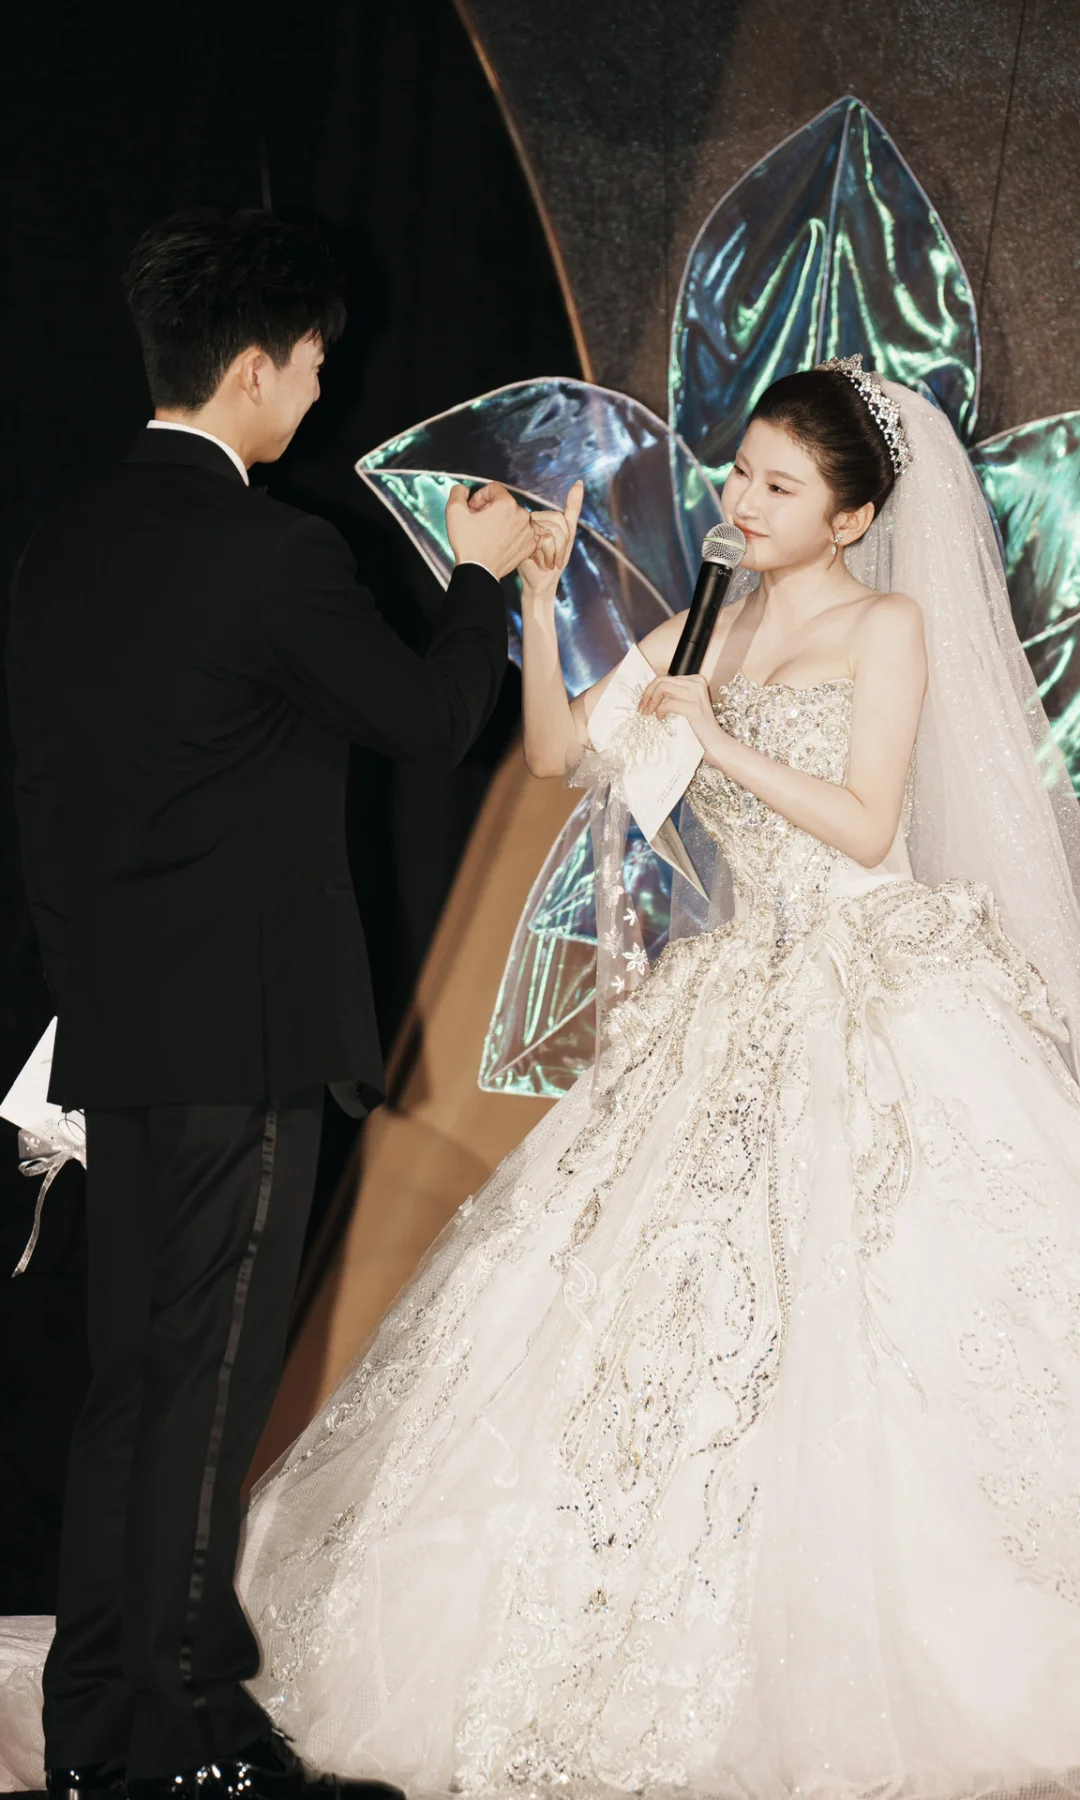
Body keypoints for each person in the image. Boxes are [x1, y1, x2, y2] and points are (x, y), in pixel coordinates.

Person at [7, 358, 1080, 1798]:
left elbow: (870, 824)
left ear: (853, 518)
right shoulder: (711, 620)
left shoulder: (885, 626)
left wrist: (714, 735)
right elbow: (561, 750)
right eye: (740, 473)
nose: (741, 502)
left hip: (865, 986)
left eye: (779, 487)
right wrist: (535, 593)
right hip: (735, 990)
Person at [3, 208, 550, 1800]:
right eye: (312, 367)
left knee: (132, 1385)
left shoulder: (64, 543)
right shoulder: (272, 552)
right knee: (205, 1391)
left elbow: (51, 806)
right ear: (253, 368)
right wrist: (477, 579)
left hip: (120, 1032)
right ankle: (192, 1737)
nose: (317, 394)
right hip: (241, 1038)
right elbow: (431, 721)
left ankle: (99, 1730)